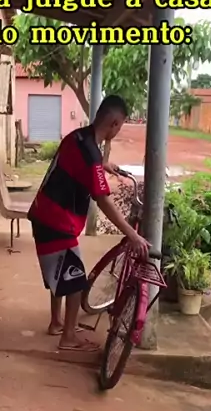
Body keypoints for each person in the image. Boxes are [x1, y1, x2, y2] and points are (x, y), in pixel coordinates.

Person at [28, 94, 150, 353]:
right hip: (56, 221)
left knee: (61, 271)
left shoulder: (79, 137)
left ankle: (56, 323)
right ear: (115, 123)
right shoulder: (91, 154)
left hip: (44, 214)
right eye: (120, 126)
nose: (118, 131)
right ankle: (69, 337)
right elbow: (102, 200)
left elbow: (87, 163)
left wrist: (104, 164)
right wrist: (132, 234)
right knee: (75, 279)